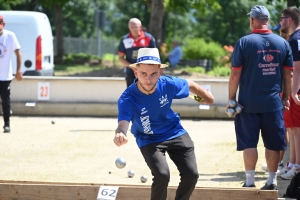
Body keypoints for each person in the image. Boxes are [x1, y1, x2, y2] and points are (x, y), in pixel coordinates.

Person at [113, 48, 214, 200]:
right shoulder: (127, 98)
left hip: (175, 132)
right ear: (136, 73)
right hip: (149, 139)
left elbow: (190, 85)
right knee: (162, 175)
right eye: (143, 74)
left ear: (160, 72)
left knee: (192, 175)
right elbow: (123, 123)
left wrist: (206, 97)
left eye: (153, 74)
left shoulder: (168, 84)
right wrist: (120, 133)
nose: (148, 79)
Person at [228, 5, 293, 190]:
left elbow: (235, 75)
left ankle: (249, 181)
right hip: (273, 103)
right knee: (273, 143)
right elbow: (289, 75)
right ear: (268, 21)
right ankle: (271, 181)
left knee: (249, 143)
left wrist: (232, 98)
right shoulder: (282, 43)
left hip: (247, 103)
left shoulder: (244, 42)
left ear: (252, 20)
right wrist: (286, 97)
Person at [276, 6, 300, 180]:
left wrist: (293, 92)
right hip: (292, 88)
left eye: (282, 18)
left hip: (294, 89)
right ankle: (292, 164)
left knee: (296, 129)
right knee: (292, 129)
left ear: (289, 20)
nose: (280, 22)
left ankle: (297, 166)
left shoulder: (295, 39)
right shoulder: (293, 39)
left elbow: (297, 69)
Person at [118, 18, 156, 87]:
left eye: (136, 27)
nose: (134, 29)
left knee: (147, 95)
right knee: (132, 95)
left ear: (140, 27)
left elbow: (154, 56)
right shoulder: (125, 40)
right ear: (128, 27)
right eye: (131, 27)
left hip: (147, 74)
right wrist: (132, 67)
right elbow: (121, 58)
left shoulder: (149, 38)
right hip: (131, 73)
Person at [0, 15, 22, 133]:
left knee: (5, 100)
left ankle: (6, 124)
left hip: (5, 76)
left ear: (3, 25)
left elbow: (18, 54)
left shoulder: (10, 36)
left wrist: (18, 71)